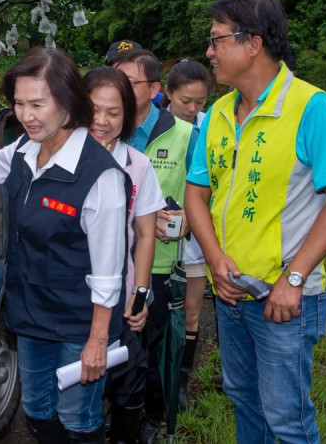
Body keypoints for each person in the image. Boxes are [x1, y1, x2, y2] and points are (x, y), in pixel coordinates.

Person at [184, 0, 326, 443]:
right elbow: (196, 193)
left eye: (216, 40)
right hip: (231, 294)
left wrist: (295, 279)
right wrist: (214, 257)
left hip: (285, 299)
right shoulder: (218, 114)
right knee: (245, 401)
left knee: (287, 421)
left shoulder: (312, 108)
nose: (209, 53)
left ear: (253, 43)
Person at [0, 47, 131, 443]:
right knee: (38, 411)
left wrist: (97, 341)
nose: (26, 115)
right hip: (32, 315)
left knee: (77, 420)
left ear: (68, 103)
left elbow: (109, 272)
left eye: (38, 104)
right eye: (19, 103)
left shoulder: (101, 176)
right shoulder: (26, 151)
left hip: (80, 324)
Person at [107, 46, 196, 442]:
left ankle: (150, 415)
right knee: (112, 343)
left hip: (157, 264)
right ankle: (121, 411)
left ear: (154, 88)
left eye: (128, 81)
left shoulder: (186, 135)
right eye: (112, 76)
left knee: (146, 344)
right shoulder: (101, 130)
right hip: (107, 263)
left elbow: (208, 195)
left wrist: (187, 222)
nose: (117, 87)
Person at [83, 66, 166, 444]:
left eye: (113, 113)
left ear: (127, 115)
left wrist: (142, 291)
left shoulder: (138, 164)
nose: (101, 121)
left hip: (121, 295)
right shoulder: (61, 156)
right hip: (72, 296)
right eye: (93, 109)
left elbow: (146, 232)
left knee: (129, 379)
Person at [159, 58, 211, 409]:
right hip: (155, 236)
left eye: (200, 103)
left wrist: (195, 217)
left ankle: (179, 382)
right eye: (185, 102)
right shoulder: (151, 127)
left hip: (193, 240)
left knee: (190, 312)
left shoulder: (211, 129)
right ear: (167, 94)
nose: (193, 110)